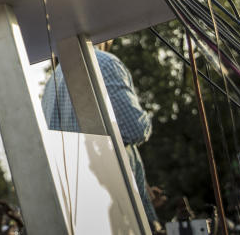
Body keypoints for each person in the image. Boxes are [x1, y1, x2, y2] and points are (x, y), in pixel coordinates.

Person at [41, 41, 159, 227]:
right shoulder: (104, 63)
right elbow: (134, 129)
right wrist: (148, 116)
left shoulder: (52, 81)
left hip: (83, 209)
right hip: (117, 210)